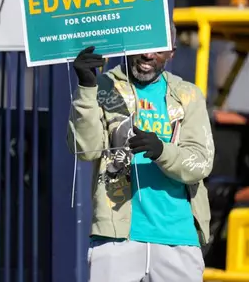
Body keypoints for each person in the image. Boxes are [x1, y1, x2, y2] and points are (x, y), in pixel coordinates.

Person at [67, 22, 214, 282]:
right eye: (143, 46)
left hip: (177, 239)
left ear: (172, 53)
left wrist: (162, 151)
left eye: (159, 49)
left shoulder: (188, 95)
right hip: (115, 238)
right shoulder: (101, 86)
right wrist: (86, 88)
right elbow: (86, 149)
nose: (148, 55)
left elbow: (201, 164)